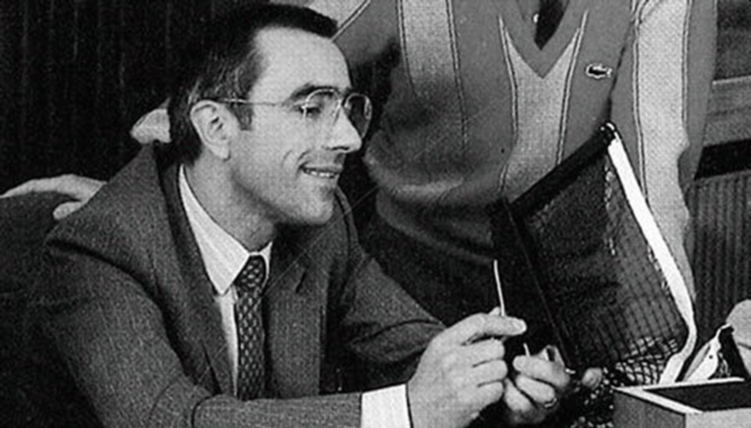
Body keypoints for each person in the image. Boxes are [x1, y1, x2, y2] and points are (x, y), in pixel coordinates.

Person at [25, 5, 586, 427]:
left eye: (347, 108)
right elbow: (172, 420)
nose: (347, 139)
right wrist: (407, 412)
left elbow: (417, 351)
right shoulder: (98, 249)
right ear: (217, 127)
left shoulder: (323, 224)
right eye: (311, 108)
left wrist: (506, 384)